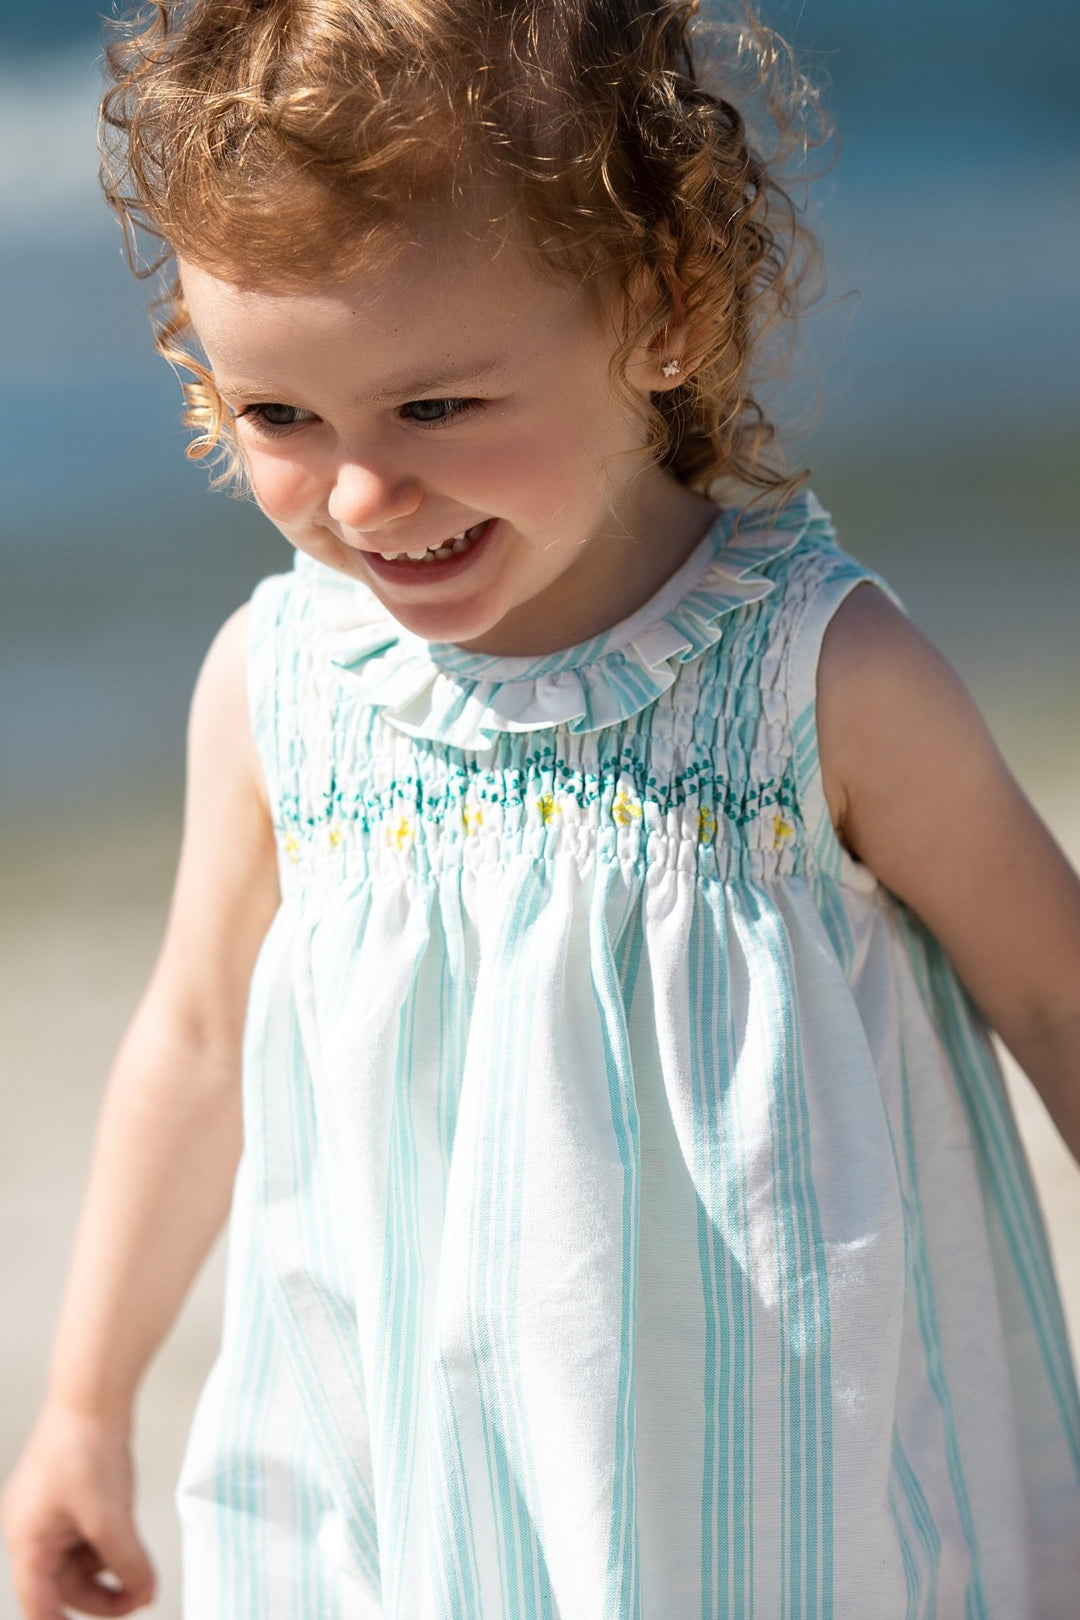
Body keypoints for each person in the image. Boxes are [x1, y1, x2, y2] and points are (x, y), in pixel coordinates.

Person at [5, 0, 1080, 1614]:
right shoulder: (279, 683)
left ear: (663, 310)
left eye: (436, 408)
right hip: (396, 1484)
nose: (365, 495)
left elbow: (1056, 993)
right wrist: (83, 1409)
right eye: (280, 417)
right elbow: (197, 1043)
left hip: (756, 1498)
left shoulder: (815, 674)